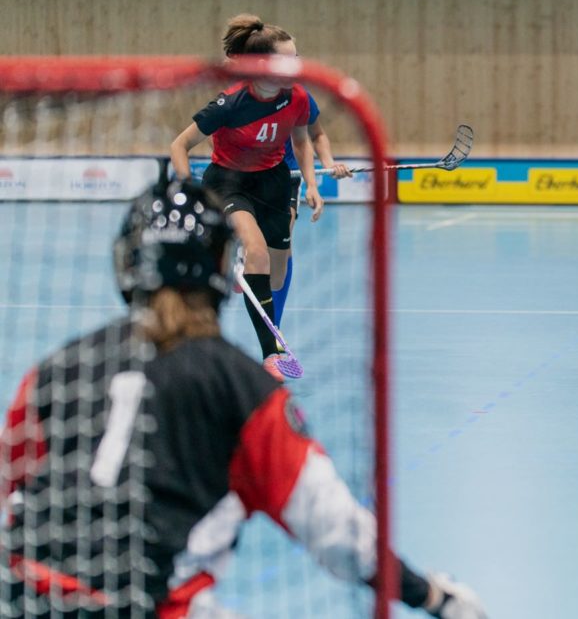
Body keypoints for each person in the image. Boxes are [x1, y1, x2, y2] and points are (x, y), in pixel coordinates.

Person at [0, 179, 487, 618]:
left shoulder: (57, 370)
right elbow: (339, 533)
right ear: (220, 267)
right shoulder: (241, 390)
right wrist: (432, 596)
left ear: (128, 263)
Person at [169, 14, 320, 382]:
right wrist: (190, 188)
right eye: (288, 58)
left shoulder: (296, 96)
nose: (297, 65)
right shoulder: (231, 103)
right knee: (255, 251)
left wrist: (312, 184)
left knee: (278, 270)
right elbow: (180, 145)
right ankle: (272, 352)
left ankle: (248, 268)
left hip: (273, 183)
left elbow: (301, 140)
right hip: (230, 183)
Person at [274, 90, 352, 327]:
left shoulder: (301, 97)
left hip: (286, 176)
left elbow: (316, 135)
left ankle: (273, 326)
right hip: (248, 174)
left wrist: (329, 166)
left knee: (281, 245)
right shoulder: (245, 93)